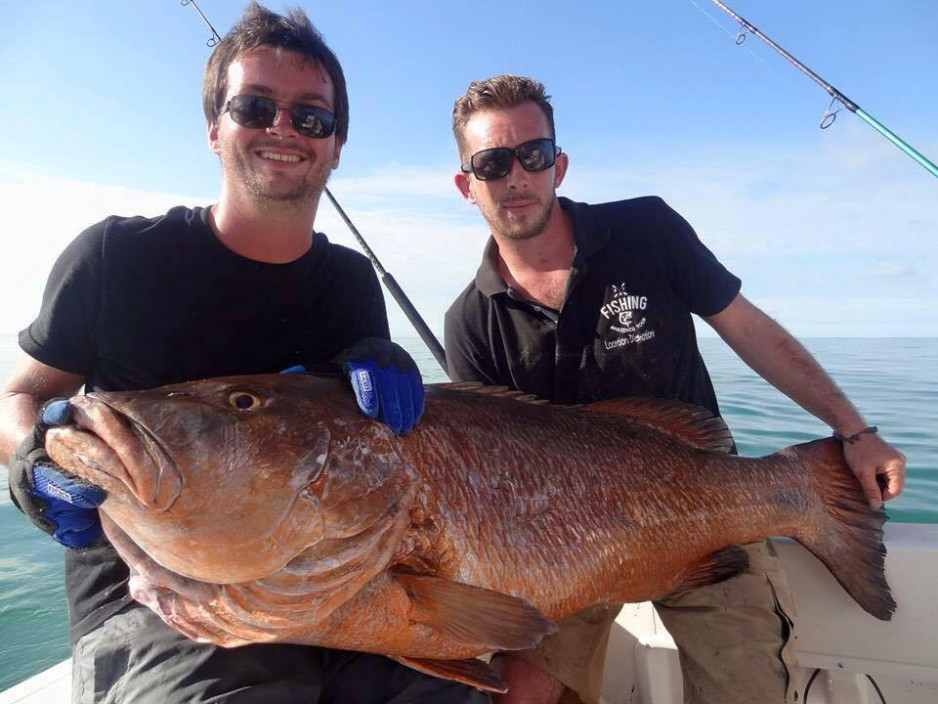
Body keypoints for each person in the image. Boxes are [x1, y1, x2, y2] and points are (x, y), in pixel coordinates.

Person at [0, 4, 488, 703]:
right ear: (214, 128)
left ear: (337, 144)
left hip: (332, 583)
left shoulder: (348, 281)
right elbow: (17, 394)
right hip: (156, 598)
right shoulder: (115, 255)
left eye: (310, 116)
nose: (282, 129)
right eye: (255, 107)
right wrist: (30, 458)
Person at [444, 74, 907, 704]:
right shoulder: (469, 322)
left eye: (533, 155)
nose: (516, 176)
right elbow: (486, 475)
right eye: (492, 162)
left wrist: (852, 430)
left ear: (560, 165)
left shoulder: (648, 230)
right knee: (514, 694)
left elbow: (748, 328)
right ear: (466, 186)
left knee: (745, 689)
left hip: (705, 520)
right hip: (564, 555)